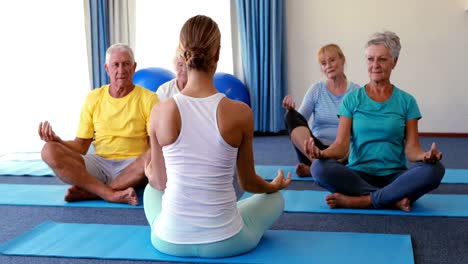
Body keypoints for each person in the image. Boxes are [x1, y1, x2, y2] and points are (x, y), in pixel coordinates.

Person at [143, 15, 291, 258]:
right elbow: (248, 183)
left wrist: (148, 169)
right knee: (275, 200)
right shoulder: (240, 112)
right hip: (227, 241)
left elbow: (159, 182)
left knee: (151, 192)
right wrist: (272, 186)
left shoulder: (160, 110)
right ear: (218, 54)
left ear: (182, 54)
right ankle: (229, 214)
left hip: (168, 240)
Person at [305, 31, 445, 212]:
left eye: (382, 59)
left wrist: (425, 156)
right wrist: (322, 154)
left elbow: (412, 149)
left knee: (435, 170)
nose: (375, 65)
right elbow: (341, 146)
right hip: (358, 175)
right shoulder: (352, 99)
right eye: (370, 59)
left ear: (394, 62)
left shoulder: (407, 101)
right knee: (318, 168)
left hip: (394, 176)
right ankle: (392, 198)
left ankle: (362, 201)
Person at [38, 43, 158, 206]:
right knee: (49, 150)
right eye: (115, 65)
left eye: (126, 64)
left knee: (155, 154)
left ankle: (94, 192)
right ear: (107, 68)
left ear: (134, 67)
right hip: (99, 164)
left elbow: (154, 147)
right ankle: (109, 193)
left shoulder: (149, 99)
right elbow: (81, 146)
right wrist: (57, 140)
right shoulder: (93, 98)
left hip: (133, 167)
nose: (121, 70)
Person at [283, 44, 360, 177]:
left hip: (342, 153)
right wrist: (291, 111)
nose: (328, 66)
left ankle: (316, 169)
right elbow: (300, 121)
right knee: (290, 116)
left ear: (343, 60)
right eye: (323, 63)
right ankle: (319, 165)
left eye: (332, 60)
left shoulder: (356, 92)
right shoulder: (316, 89)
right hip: (314, 151)